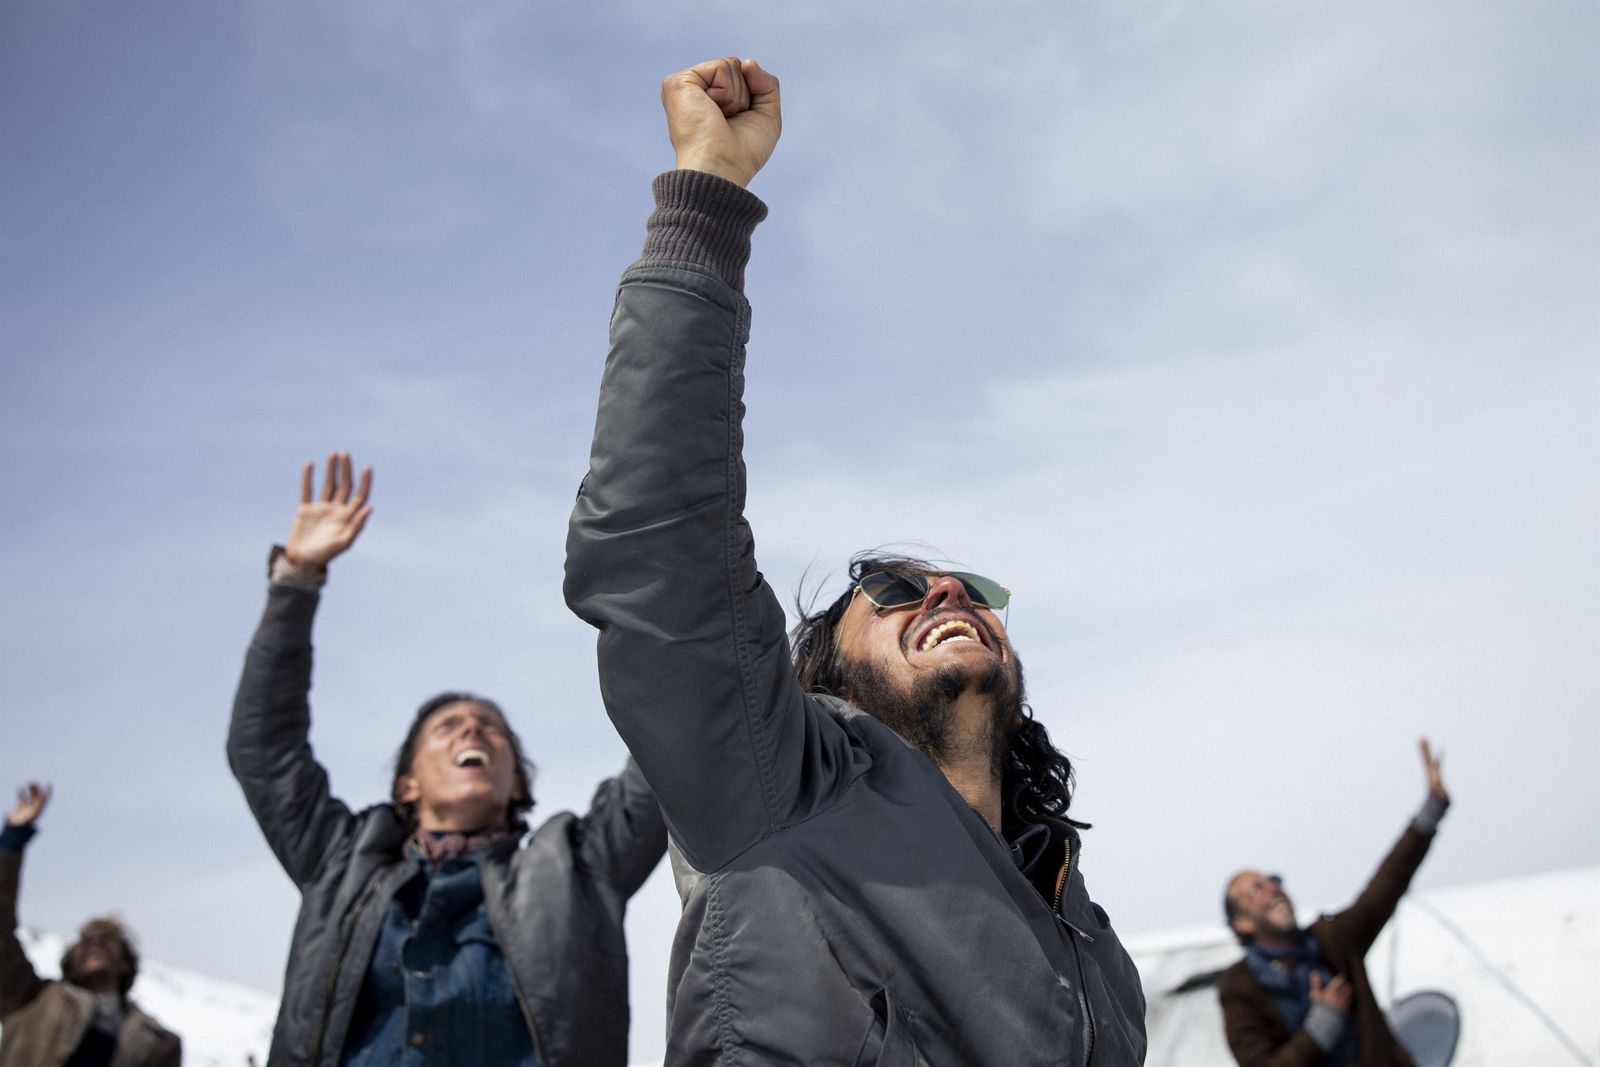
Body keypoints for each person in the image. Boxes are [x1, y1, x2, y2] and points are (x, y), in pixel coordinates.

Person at [564, 57, 1146, 1065]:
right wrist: (706, 196)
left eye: (970, 588)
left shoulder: (1087, 930)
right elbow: (659, 548)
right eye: (892, 589)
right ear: (825, 675)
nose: (947, 589)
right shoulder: (781, 788)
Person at [228, 453, 667, 1067]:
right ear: (407, 784)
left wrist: (660, 584)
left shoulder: (580, 868)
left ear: (517, 784)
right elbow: (266, 750)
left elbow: (669, 746)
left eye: (492, 728)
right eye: (447, 726)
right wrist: (296, 580)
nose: (473, 728)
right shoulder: (340, 865)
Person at [1217, 739, 1451, 1067]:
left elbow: (1384, 888)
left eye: (1273, 881)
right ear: (1241, 922)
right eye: (1256, 889)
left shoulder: (1332, 942)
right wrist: (1319, 1029)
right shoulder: (1240, 988)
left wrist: (1430, 812)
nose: (1272, 889)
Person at [1, 782, 182, 1067]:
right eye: (85, 940)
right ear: (69, 960)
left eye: (107, 938)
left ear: (125, 963)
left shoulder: (161, 1044)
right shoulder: (30, 999)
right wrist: (13, 838)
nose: (95, 942)